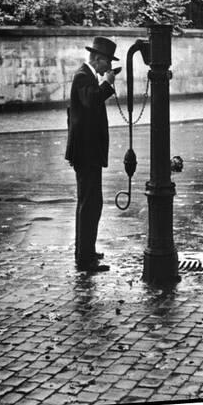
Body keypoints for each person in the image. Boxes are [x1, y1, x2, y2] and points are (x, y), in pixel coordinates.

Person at [65, 36, 121, 272]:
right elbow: (91, 101)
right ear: (97, 60)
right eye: (106, 64)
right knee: (89, 203)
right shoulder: (82, 76)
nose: (107, 69)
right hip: (85, 152)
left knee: (91, 202)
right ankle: (84, 258)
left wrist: (105, 82)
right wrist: (107, 84)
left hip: (89, 151)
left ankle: (86, 250)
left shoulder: (87, 76)